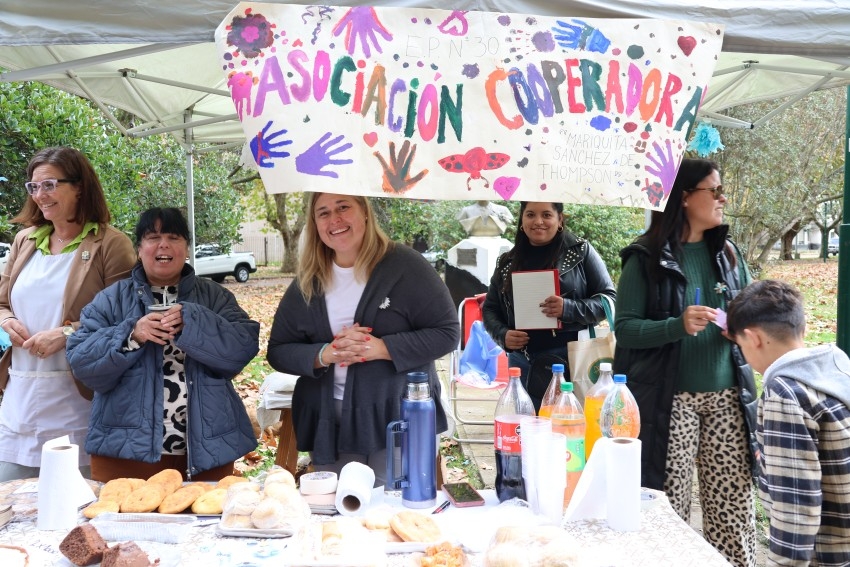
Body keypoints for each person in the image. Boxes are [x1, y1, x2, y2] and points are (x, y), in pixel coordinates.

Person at [614, 158, 755, 566]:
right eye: (715, 190)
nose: (723, 198)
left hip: (728, 395)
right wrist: (676, 326)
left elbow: (751, 311)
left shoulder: (728, 253)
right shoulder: (645, 258)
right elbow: (625, 330)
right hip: (669, 399)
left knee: (733, 509)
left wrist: (742, 327)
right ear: (686, 197)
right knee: (667, 508)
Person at [266, 193, 458, 486]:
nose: (335, 219)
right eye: (324, 212)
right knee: (338, 514)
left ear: (365, 212)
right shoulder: (309, 279)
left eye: (343, 207)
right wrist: (325, 354)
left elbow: (447, 333)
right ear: (315, 223)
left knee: (392, 511)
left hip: (398, 417)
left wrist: (382, 348)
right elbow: (278, 350)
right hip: (331, 424)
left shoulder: (405, 266)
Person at [66, 207, 259, 482]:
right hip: (124, 452)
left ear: (187, 248)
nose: (163, 244)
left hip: (206, 451)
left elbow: (243, 347)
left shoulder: (215, 297)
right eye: (153, 237)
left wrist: (194, 322)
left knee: (205, 523)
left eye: (174, 237)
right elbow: (82, 363)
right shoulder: (110, 299)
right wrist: (132, 334)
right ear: (139, 248)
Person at [0, 146, 136, 482]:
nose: (39, 195)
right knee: (12, 503)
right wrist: (6, 320)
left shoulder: (110, 244)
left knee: (74, 507)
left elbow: (127, 317)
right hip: (20, 394)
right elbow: (1, 302)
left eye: (49, 185)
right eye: (33, 187)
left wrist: (66, 334)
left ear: (79, 187)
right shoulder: (24, 241)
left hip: (78, 398)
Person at [726, 280, 850, 566]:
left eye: (742, 346)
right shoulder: (835, 364)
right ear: (802, 328)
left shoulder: (786, 394)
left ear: (753, 338)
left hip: (826, 555)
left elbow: (796, 512)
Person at [481, 201, 616, 410]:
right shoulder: (507, 261)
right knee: (525, 430)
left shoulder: (581, 251)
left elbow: (609, 300)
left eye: (546, 215)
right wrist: (503, 334)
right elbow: (490, 308)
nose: (538, 222)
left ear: (559, 219)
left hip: (571, 360)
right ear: (522, 220)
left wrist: (568, 308)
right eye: (530, 215)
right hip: (522, 362)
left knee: (566, 430)